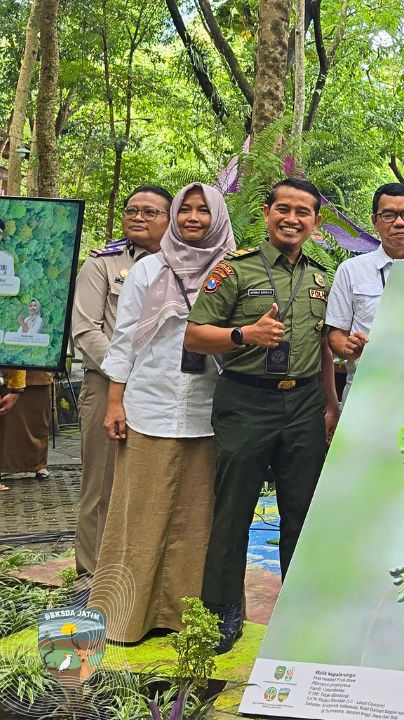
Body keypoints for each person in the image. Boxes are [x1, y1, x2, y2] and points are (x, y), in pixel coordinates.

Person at [185, 177, 340, 654]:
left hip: (304, 406)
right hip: (246, 401)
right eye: (284, 209)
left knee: (303, 513)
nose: (292, 219)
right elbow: (193, 335)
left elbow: (324, 350)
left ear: (315, 223)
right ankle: (223, 612)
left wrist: (330, 404)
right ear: (268, 212)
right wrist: (243, 335)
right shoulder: (233, 271)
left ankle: (298, 611)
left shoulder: (322, 277)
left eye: (303, 212)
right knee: (234, 512)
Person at [88, 183, 234, 643]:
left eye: (203, 211)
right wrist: (115, 401)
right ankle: (128, 616)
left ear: (219, 218)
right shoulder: (149, 269)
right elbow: (126, 337)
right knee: (140, 513)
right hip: (149, 404)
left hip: (209, 410)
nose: (193, 218)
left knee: (197, 517)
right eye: (185, 210)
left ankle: (186, 617)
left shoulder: (233, 272)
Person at [72, 185, 170, 575]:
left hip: (162, 392)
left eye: (150, 212)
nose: (138, 218)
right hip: (106, 387)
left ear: (169, 220)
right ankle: (92, 573)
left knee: (153, 483)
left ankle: (139, 569)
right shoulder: (103, 265)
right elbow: (85, 330)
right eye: (132, 210)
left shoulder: (183, 266)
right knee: (101, 484)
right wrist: (123, 374)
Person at [326, 182, 404, 394]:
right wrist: (348, 347)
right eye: (389, 215)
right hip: (367, 391)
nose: (399, 223)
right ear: (374, 221)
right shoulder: (350, 270)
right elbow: (336, 334)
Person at [0, 368, 53, 481]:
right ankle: (3, 464)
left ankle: (39, 464)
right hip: (9, 370)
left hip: (37, 369)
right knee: (6, 424)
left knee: (37, 419)